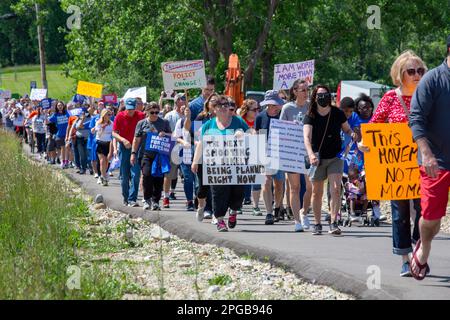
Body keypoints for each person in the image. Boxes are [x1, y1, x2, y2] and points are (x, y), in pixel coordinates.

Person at [359, 50, 427, 276]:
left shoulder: (429, 95)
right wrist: (364, 144)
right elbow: (375, 126)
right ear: (400, 74)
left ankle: (420, 252)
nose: (417, 75)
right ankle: (406, 259)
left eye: (420, 70)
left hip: (424, 162)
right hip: (395, 167)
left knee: (423, 210)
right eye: (412, 71)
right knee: (399, 213)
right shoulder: (390, 98)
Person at [408, 36, 450, 280]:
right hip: (436, 160)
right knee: (432, 217)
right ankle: (423, 248)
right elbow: (416, 119)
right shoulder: (432, 80)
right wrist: (426, 154)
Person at [303, 85, 357, 235]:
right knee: (317, 192)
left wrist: (352, 134)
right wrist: (311, 154)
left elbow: (346, 129)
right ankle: (317, 223)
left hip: (335, 156)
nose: (323, 97)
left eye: (325, 94)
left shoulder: (337, 113)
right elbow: (306, 137)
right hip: (318, 158)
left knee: (335, 189)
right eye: (320, 95)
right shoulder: (310, 115)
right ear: (315, 97)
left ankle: (334, 222)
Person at [191, 95, 249, 232]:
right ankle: (220, 219)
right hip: (216, 165)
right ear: (214, 109)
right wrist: (195, 161)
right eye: (220, 106)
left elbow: (252, 133)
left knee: (238, 191)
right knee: (218, 192)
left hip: (237, 164)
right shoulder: (208, 125)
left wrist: (244, 135)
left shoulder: (238, 121)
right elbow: (201, 144)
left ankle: (234, 211)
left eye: (225, 105)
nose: (223, 108)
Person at [280, 79, 312, 231]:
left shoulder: (311, 107)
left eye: (307, 89)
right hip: (292, 152)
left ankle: (304, 212)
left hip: (308, 152)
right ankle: (297, 221)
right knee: (295, 187)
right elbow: (280, 130)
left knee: (311, 186)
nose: (306, 92)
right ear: (295, 91)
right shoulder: (287, 108)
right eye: (303, 90)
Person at [131, 102, 172, 210]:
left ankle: (156, 201)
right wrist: (133, 153)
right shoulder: (141, 123)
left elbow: (172, 136)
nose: (154, 114)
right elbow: (136, 139)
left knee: (158, 178)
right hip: (146, 154)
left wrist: (165, 134)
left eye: (157, 112)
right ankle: (147, 199)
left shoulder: (164, 122)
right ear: (147, 112)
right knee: (147, 175)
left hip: (159, 155)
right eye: (152, 112)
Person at [255, 90, 286, 225]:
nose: (273, 108)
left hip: (280, 154)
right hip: (265, 154)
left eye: (275, 105)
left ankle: (277, 207)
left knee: (279, 184)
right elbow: (257, 135)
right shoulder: (260, 117)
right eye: (270, 105)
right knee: (266, 182)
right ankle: (268, 213)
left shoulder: (282, 116)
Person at [189, 93, 218, 222]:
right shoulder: (201, 117)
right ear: (208, 103)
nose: (215, 103)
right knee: (203, 186)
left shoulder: (223, 118)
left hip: (218, 155)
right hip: (202, 154)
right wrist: (197, 143)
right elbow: (193, 135)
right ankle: (202, 206)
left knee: (216, 185)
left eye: (218, 102)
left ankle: (213, 212)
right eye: (213, 101)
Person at [112, 98, 145, 206]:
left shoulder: (140, 115)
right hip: (124, 147)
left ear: (135, 107)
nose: (130, 111)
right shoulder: (120, 116)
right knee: (124, 176)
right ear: (125, 106)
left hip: (136, 148)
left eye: (132, 109)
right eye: (128, 109)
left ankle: (132, 199)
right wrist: (123, 140)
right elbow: (114, 133)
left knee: (135, 174)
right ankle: (125, 197)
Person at [238, 99, 262, 215]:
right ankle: (238, 205)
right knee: (241, 180)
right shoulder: (240, 121)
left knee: (256, 181)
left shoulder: (260, 120)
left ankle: (256, 206)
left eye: (258, 109)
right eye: (254, 110)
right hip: (241, 153)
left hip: (256, 152)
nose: (257, 112)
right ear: (246, 111)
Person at [162, 93, 186, 208]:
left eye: (186, 100)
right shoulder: (169, 116)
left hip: (186, 149)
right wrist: (173, 136)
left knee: (186, 175)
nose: (185, 102)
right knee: (170, 173)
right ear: (177, 102)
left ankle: (190, 199)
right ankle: (166, 197)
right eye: (183, 99)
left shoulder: (188, 115)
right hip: (172, 148)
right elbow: (163, 131)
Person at [92, 109, 114, 186]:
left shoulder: (112, 123)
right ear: (104, 115)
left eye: (110, 114)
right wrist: (102, 127)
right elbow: (99, 134)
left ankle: (103, 174)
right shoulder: (98, 122)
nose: (109, 116)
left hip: (108, 143)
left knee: (107, 161)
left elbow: (113, 134)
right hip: (100, 142)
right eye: (108, 114)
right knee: (102, 161)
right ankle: (103, 177)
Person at [48, 101, 70, 169]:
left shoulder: (67, 113)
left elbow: (71, 119)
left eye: (61, 105)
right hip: (60, 134)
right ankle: (63, 162)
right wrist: (47, 114)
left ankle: (67, 161)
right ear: (57, 107)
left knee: (68, 148)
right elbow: (48, 120)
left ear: (63, 106)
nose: (60, 106)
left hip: (68, 133)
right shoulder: (55, 114)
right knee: (63, 148)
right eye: (58, 105)